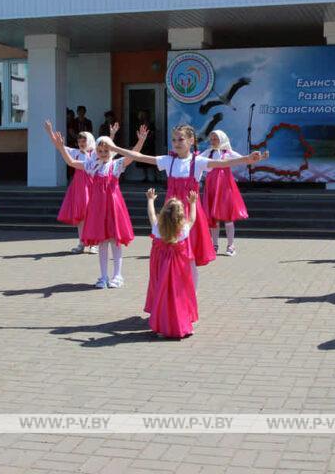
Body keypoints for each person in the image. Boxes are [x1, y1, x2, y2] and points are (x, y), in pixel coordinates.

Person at [106, 124, 267, 289]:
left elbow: (223, 164)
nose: (176, 142)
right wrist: (114, 147)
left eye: (181, 139)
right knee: (169, 254)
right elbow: (139, 157)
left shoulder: (198, 161)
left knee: (190, 258)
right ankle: (173, 294)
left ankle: (192, 297)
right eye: (174, 139)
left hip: (190, 215)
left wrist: (247, 159)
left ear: (191, 140)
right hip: (171, 216)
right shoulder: (168, 160)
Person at [46, 121, 147, 288]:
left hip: (114, 207)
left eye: (106, 150)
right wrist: (61, 147)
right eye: (100, 151)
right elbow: (72, 162)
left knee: (115, 241)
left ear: (112, 150)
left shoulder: (116, 165)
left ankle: (117, 276)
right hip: (98, 208)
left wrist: (141, 141)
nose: (103, 153)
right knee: (102, 242)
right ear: (96, 152)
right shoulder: (92, 165)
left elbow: (133, 155)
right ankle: (103, 277)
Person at [144, 188, 198, 339]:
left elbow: (151, 214)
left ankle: (162, 326)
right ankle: (183, 324)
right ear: (180, 216)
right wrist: (193, 203)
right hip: (179, 268)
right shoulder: (183, 230)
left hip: (161, 265)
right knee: (179, 294)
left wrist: (150, 200)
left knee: (162, 293)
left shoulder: (157, 228)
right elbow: (193, 218)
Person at [200, 130, 249, 256]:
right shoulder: (208, 152)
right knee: (213, 218)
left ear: (222, 139)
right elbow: (195, 160)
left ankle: (231, 245)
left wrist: (255, 158)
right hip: (211, 188)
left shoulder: (228, 153)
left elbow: (243, 159)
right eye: (211, 139)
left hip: (225, 188)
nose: (213, 141)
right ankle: (214, 245)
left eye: (215, 138)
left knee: (228, 217)